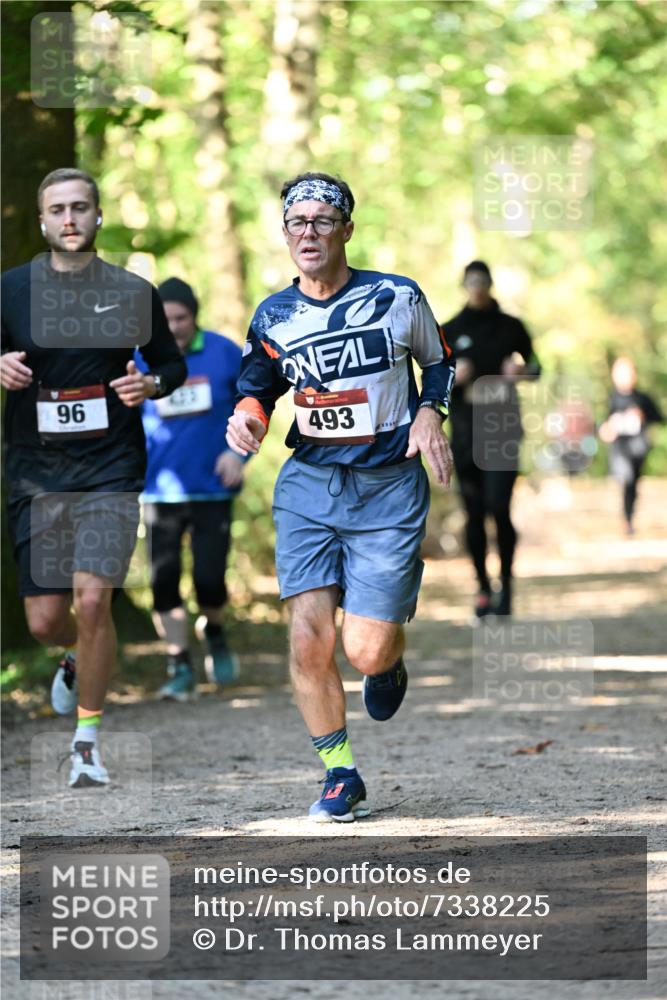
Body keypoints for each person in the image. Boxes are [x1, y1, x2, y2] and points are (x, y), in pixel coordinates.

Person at [226, 171, 456, 822]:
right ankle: (339, 772)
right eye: (297, 222)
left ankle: (386, 664)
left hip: (387, 486)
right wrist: (247, 416)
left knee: (364, 649)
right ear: (284, 233)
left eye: (322, 220)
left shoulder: (395, 295)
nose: (308, 232)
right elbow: (257, 383)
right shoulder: (274, 314)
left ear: (346, 230)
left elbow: (438, 361)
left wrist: (428, 412)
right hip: (309, 485)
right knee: (306, 636)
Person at [0, 167, 186, 786]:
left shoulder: (133, 291)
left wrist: (151, 383)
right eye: (58, 210)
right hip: (36, 469)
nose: (70, 219)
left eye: (81, 207)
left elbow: (170, 365)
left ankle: (86, 744)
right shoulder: (12, 290)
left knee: (92, 599)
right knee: (47, 621)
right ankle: (75, 659)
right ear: (43, 220)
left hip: (110, 464)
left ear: (98, 216)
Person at [136, 277, 245, 699]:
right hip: (158, 490)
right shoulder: (139, 359)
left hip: (212, 488)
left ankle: (214, 632)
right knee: (163, 581)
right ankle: (179, 662)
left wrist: (238, 454)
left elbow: (253, 408)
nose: (174, 326)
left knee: (209, 579)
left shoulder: (223, 353)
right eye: (165, 320)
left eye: (181, 317)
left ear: (194, 316)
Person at [441, 260, 540, 619]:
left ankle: (507, 587)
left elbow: (537, 367)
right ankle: (482, 587)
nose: (478, 287)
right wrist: (453, 377)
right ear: (465, 285)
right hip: (466, 435)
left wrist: (522, 371)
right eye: (472, 282)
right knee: (474, 514)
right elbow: (432, 384)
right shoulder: (450, 330)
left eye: (483, 281)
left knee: (500, 507)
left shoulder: (511, 327)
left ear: (491, 283)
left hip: (502, 429)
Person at [599, 357, 663, 535]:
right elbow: (601, 424)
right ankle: (626, 520)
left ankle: (629, 519)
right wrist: (607, 429)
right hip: (620, 450)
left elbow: (659, 417)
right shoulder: (610, 398)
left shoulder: (642, 398)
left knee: (632, 484)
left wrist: (643, 417)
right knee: (625, 479)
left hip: (638, 449)